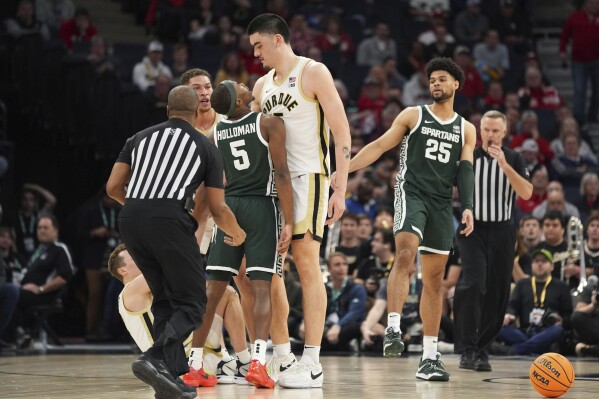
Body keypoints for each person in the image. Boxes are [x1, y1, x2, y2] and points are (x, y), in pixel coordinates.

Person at [338, 57, 476, 381]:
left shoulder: (466, 128)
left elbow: (466, 169)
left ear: (456, 84)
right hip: (410, 192)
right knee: (405, 252)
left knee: (434, 280)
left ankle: (429, 356)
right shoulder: (413, 115)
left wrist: (467, 205)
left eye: (442, 79)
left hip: (443, 203)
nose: (435, 84)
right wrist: (344, 172)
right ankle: (394, 326)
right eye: (431, 80)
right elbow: (379, 145)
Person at [106, 85, 246, 399]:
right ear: (198, 113)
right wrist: (237, 234)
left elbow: (113, 186)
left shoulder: (138, 139)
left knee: (166, 301)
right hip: (169, 219)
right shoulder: (206, 146)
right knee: (195, 303)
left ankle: (167, 379)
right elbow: (216, 207)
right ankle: (154, 358)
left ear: (167, 110)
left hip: (130, 218)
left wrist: (138, 206)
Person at [248, 13, 351, 388]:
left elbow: (341, 127)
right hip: (274, 184)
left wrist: (341, 185)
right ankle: (282, 354)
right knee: (268, 269)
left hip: (310, 176)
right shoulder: (260, 86)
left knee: (307, 262)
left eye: (259, 45)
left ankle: (313, 360)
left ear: (278, 40)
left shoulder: (313, 71)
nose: (255, 53)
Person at [184, 80, 293, 390]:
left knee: (212, 291)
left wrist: (198, 224)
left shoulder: (214, 134)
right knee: (261, 287)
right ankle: (258, 363)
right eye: (240, 85)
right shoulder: (269, 121)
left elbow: (207, 189)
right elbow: (282, 172)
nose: (246, 84)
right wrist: (290, 220)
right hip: (262, 206)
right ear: (239, 100)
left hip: (228, 209)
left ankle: (194, 364)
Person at [453, 110, 532, 372]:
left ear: (504, 132)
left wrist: (505, 167)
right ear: (480, 130)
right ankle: (466, 348)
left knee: (498, 291)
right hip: (471, 228)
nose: (490, 135)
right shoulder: (469, 156)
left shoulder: (515, 158)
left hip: (502, 231)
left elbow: (526, 192)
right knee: (474, 282)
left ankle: (482, 349)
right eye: (486, 129)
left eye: (495, 130)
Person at [106, 243, 247, 386]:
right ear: (122, 270)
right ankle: (241, 363)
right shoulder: (130, 291)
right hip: (177, 359)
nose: (142, 258)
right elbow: (167, 269)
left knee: (221, 294)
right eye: (134, 257)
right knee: (215, 296)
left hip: (198, 354)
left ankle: (229, 360)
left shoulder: (156, 288)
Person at [497, 249, 573, 356]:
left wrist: (561, 320)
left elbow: (568, 314)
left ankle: (515, 350)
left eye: (544, 261)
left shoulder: (561, 286)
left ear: (551, 266)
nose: (539, 264)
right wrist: (510, 315)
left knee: (558, 330)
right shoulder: (523, 284)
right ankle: (538, 349)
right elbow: (513, 305)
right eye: (536, 261)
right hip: (525, 330)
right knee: (498, 327)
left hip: (548, 331)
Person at [559, 0, 599, 125]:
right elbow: (565, 35)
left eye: (597, 4)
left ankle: (592, 114)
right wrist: (562, 50)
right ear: (586, 4)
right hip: (578, 61)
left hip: (597, 60)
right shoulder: (575, 17)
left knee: (597, 90)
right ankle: (579, 118)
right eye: (592, 4)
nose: (594, 6)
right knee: (579, 89)